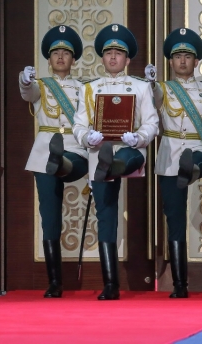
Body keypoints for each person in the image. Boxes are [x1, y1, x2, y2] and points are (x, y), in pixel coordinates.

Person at [73, 23, 159, 300]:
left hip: (131, 149)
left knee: (124, 158)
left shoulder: (141, 87)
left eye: (118, 53)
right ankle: (111, 283)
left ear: (127, 59)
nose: (113, 57)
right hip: (100, 152)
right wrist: (89, 137)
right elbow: (77, 126)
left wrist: (138, 137)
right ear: (102, 57)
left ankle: (116, 163)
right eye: (108, 52)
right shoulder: (90, 89)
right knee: (106, 215)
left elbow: (152, 123)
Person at [146, 28, 202, 298]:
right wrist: (150, 83)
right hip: (170, 154)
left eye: (187, 56)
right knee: (174, 218)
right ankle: (180, 284)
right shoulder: (162, 90)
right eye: (177, 56)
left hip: (198, 147)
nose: (182, 61)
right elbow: (152, 100)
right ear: (170, 61)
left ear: (196, 61)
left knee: (198, 161)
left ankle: (193, 167)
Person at [19, 25, 89, 298]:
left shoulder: (84, 89)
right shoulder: (40, 86)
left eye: (66, 53)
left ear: (73, 60)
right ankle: (55, 282)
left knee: (73, 164)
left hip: (75, 145)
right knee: (50, 217)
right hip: (45, 148)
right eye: (55, 53)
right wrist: (24, 79)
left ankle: (62, 162)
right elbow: (27, 93)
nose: (60, 57)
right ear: (48, 60)